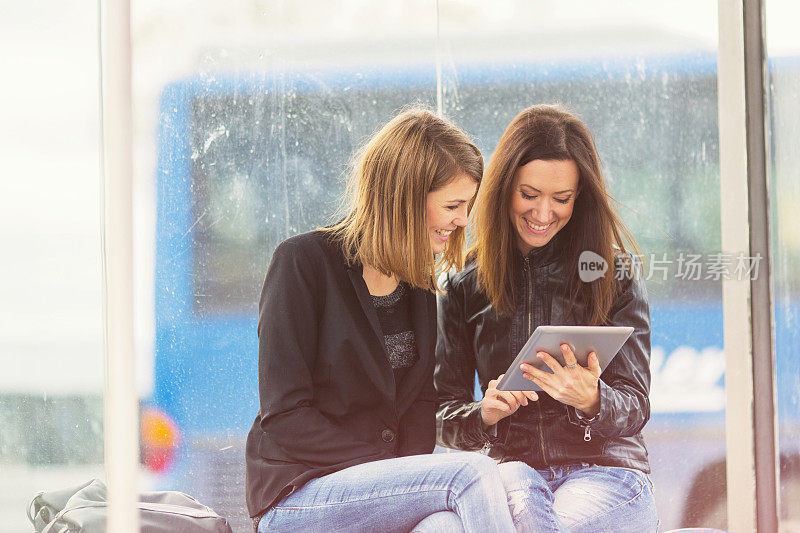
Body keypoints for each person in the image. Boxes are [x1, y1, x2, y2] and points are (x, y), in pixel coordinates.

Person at [245, 108, 517, 533]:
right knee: (472, 474)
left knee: (444, 527)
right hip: (298, 496)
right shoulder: (302, 263)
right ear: (405, 197)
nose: (463, 220)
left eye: (467, 206)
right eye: (452, 205)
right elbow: (284, 416)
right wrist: (386, 466)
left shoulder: (419, 285)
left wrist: (398, 474)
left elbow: (420, 406)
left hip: (376, 489)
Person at [435, 104, 659, 533]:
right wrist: (484, 414)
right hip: (515, 474)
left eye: (561, 199)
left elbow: (635, 405)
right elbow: (442, 413)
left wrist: (593, 399)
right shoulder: (465, 285)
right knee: (514, 480)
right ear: (503, 189)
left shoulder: (614, 274)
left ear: (580, 197)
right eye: (529, 195)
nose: (542, 214)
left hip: (608, 473)